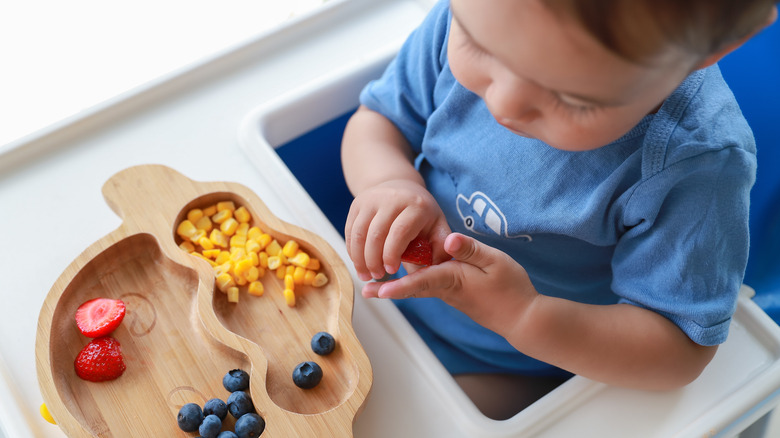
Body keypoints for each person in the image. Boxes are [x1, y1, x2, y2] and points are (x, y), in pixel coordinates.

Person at [340, 0, 778, 419]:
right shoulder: (483, 15)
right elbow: (379, 121)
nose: (504, 104)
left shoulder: (694, 164)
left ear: (709, 50)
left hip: (505, 362)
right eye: (478, 46)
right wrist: (388, 182)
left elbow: (679, 351)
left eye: (573, 100)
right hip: (369, 293)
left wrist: (525, 316)